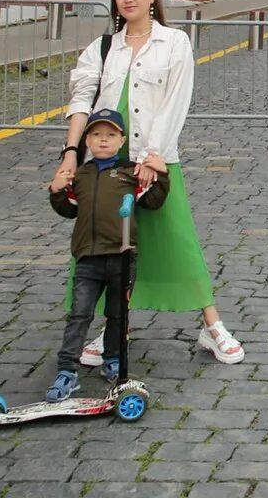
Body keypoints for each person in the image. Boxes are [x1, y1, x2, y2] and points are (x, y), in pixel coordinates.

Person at [54, 0, 245, 366]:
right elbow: (81, 101)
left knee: (177, 240)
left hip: (154, 159)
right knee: (104, 246)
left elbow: (177, 99)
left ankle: (212, 326)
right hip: (108, 163)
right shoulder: (103, 48)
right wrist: (71, 153)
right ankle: (114, 325)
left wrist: (154, 156)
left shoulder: (173, 42)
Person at [44, 109, 169, 400]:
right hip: (88, 258)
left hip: (122, 258)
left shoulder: (130, 173)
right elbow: (69, 209)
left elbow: (152, 202)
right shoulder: (81, 175)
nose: (103, 141)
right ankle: (67, 369)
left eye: (110, 135)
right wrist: (56, 191)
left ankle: (114, 360)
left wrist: (163, 175)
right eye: (97, 135)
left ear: (121, 139)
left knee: (118, 314)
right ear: (87, 139)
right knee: (79, 313)